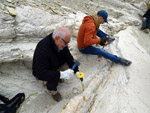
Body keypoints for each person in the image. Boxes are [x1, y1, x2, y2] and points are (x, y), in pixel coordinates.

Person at [32, 27, 79, 102]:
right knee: (52, 81)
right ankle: (53, 92)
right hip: (44, 72)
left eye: (68, 42)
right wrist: (61, 74)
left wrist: (76, 70)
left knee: (68, 65)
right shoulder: (43, 48)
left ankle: (58, 77)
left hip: (55, 64)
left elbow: (69, 57)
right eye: (66, 42)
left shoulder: (61, 43)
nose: (67, 45)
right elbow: (40, 73)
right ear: (57, 38)